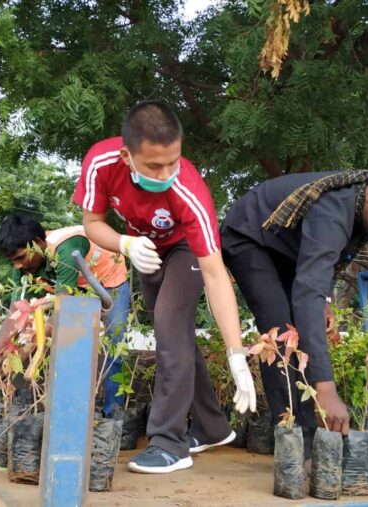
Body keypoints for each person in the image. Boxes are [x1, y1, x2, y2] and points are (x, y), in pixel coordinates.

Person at [72, 100, 256, 474]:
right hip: (144, 249)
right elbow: (92, 222)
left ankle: (170, 442)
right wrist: (125, 244)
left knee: (170, 322)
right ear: (127, 156)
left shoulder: (189, 191)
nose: (168, 172)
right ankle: (211, 426)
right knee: (170, 331)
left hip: (185, 247)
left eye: (175, 161)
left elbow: (215, 273)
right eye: (155, 165)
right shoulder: (100, 163)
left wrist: (236, 354)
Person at [220, 157, 368, 438]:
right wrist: (325, 388)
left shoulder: (361, 208)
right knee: (280, 331)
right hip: (249, 236)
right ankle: (292, 438)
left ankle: (309, 433)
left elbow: (324, 262)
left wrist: (326, 302)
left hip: (284, 249)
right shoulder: (334, 210)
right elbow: (307, 294)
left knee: (301, 325)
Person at [0, 213, 130, 417]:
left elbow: (64, 311)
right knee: (71, 344)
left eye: (20, 258)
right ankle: (78, 413)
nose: (18, 265)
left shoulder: (65, 249)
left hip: (109, 280)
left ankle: (113, 416)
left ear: (38, 243)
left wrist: (31, 345)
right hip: (78, 286)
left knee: (114, 344)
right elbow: (16, 312)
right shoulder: (24, 266)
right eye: (13, 261)